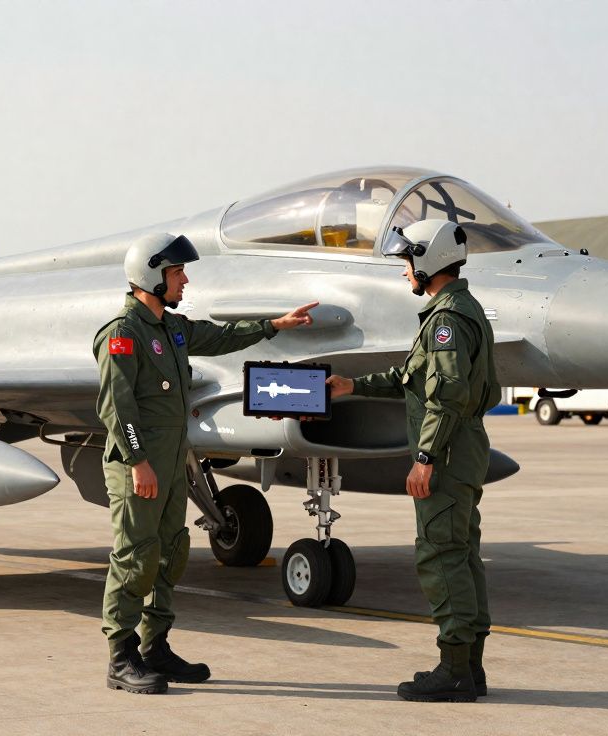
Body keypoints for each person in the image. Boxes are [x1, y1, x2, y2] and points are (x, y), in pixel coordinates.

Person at [94, 232, 317, 694]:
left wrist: (274, 325)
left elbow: (220, 336)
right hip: (140, 467)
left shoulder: (172, 328)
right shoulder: (122, 334)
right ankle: (120, 658)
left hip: (172, 464)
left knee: (170, 553)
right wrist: (138, 462)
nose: (184, 280)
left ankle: (156, 648)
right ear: (152, 276)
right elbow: (117, 409)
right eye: (177, 273)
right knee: (135, 558)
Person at [326, 219, 499, 703]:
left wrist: (423, 458)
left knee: (440, 555)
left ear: (428, 259)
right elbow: (413, 376)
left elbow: (443, 397)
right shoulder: (462, 311)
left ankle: (454, 670)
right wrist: (353, 385)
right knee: (462, 555)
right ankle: (471, 668)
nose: (404, 270)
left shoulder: (445, 321)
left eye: (408, 259)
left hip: (446, 454)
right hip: (464, 450)